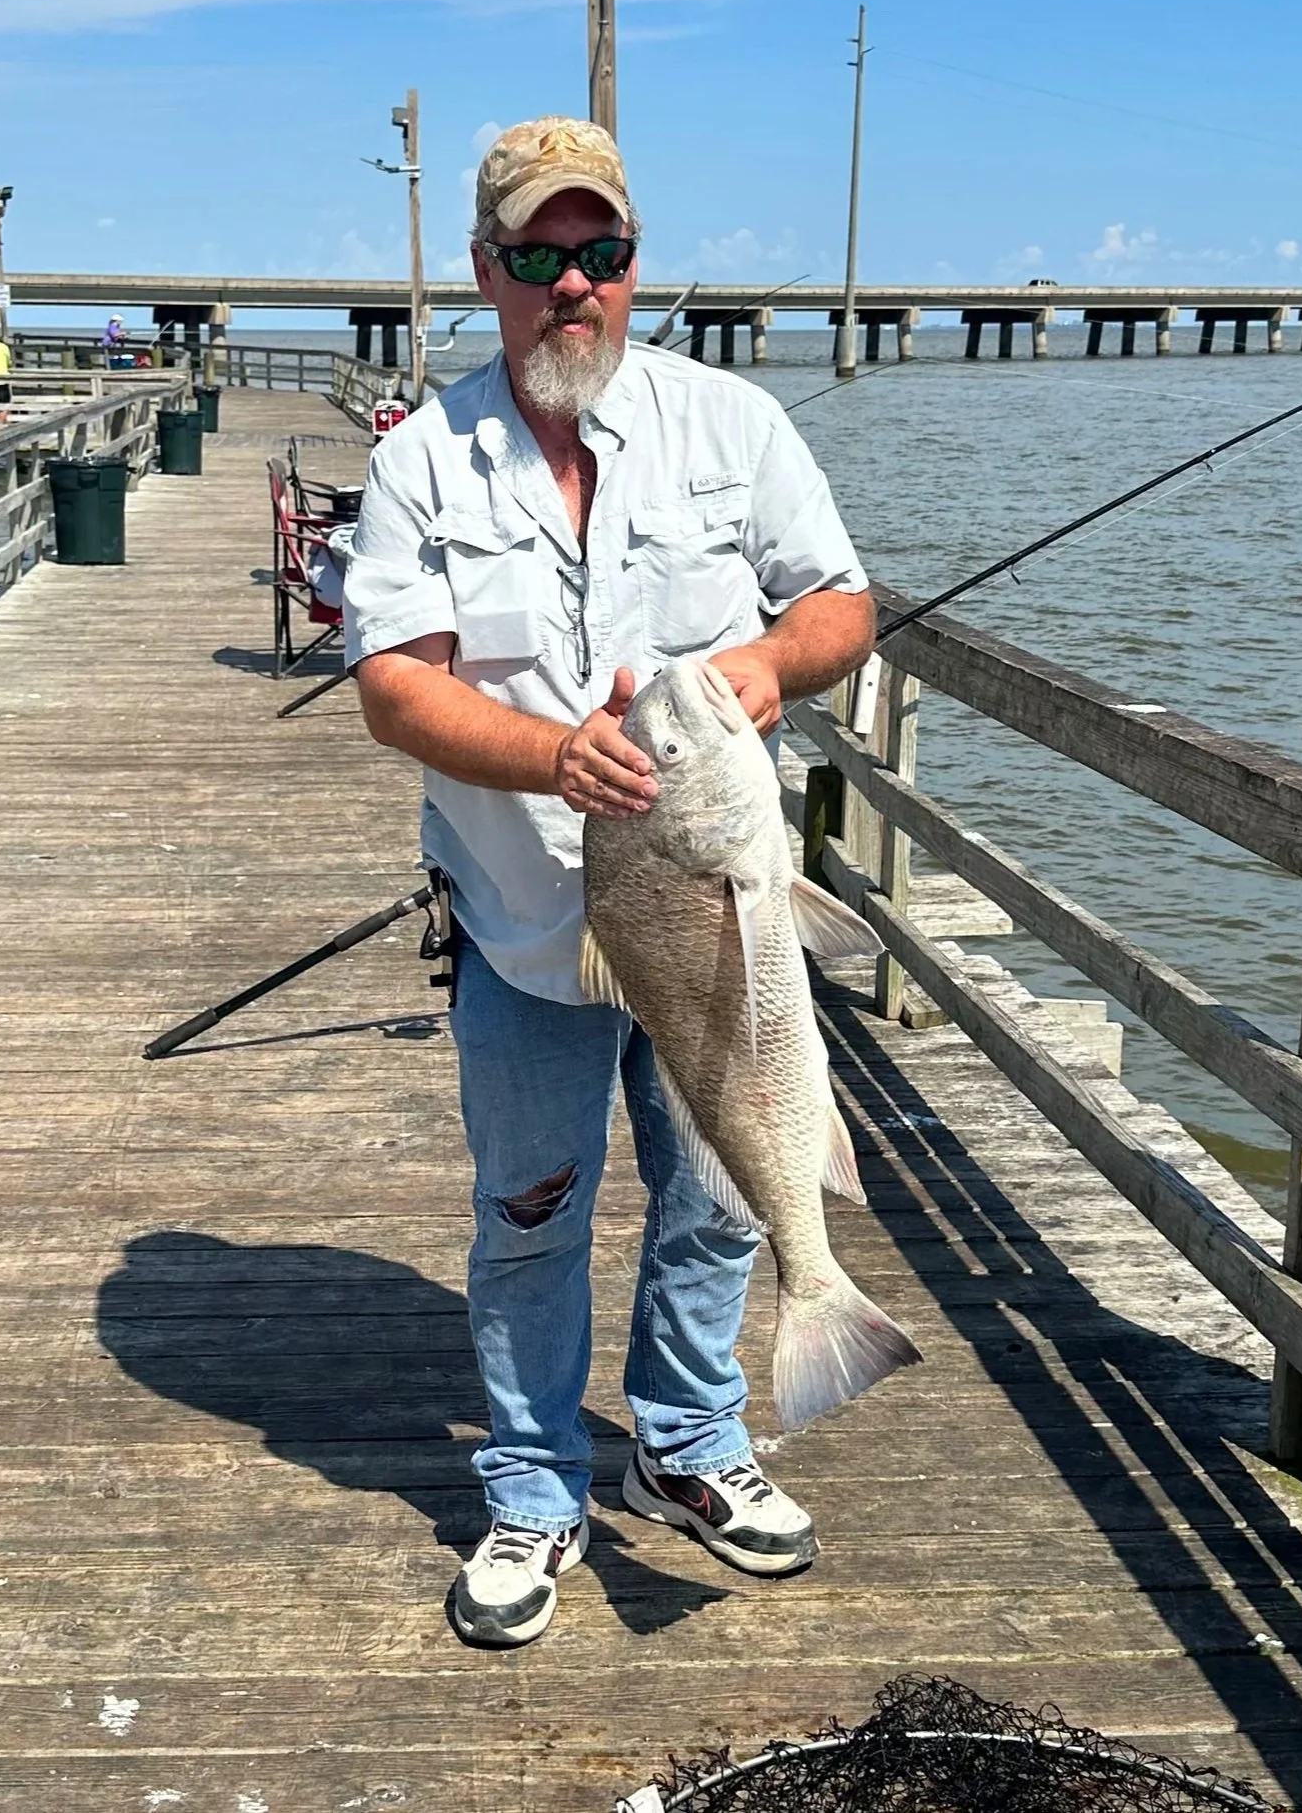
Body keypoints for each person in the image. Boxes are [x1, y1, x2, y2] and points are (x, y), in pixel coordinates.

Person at [343, 116, 875, 1649]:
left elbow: (843, 602)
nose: (570, 284)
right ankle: (532, 1484)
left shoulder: (733, 428)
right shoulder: (424, 459)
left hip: (711, 915)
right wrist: (543, 759)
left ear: (636, 268)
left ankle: (692, 1440)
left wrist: (768, 666)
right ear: (484, 272)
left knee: (719, 1195)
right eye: (536, 256)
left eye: (601, 254)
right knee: (529, 1212)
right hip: (526, 929)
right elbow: (393, 685)